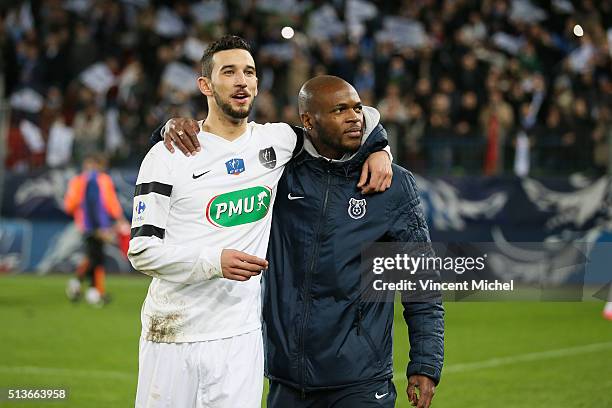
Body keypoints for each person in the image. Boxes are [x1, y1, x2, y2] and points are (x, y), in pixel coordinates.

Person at [129, 36, 391, 408]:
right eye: (229, 72)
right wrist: (213, 262)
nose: (242, 81)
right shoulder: (169, 154)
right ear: (205, 85)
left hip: (241, 340)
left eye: (249, 72)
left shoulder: (278, 141)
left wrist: (380, 148)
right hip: (172, 334)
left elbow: (348, 123)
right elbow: (141, 251)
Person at [164, 76, 445, 408]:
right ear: (308, 121)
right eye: (340, 110)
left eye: (357, 108)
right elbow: (222, 151)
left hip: (361, 380)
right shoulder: (279, 170)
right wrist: (171, 130)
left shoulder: (393, 185)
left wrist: (425, 364)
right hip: (287, 379)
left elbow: (420, 283)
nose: (354, 117)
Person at [64, 153, 127, 306]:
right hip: (92, 224)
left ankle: (84, 285)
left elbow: (70, 205)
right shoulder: (93, 181)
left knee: (93, 255)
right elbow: (107, 203)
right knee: (96, 256)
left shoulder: (84, 181)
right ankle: (93, 290)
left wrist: (118, 218)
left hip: (92, 223)